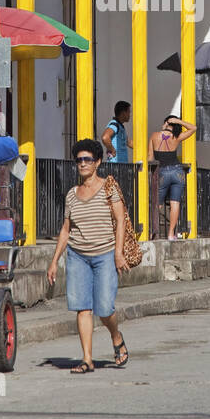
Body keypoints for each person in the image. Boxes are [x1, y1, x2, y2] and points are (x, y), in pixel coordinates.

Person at [46, 139, 131, 373]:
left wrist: (118, 252)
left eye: (87, 160)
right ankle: (87, 359)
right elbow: (66, 229)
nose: (82, 164)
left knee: (104, 308)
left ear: (98, 162)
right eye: (79, 160)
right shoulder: (72, 194)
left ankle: (116, 336)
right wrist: (54, 261)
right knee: (83, 308)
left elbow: (121, 219)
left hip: (105, 255)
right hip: (78, 256)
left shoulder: (109, 187)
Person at [150, 115, 196, 240]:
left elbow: (150, 158)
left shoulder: (154, 136)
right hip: (177, 171)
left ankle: (152, 232)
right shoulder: (177, 137)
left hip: (162, 172)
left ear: (166, 123)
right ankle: (171, 234)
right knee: (175, 202)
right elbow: (193, 128)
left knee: (157, 203)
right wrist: (179, 121)